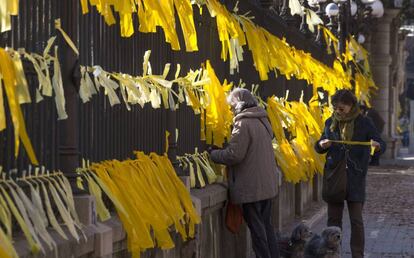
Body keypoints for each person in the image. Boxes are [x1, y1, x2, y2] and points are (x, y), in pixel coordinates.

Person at [209, 88, 281, 258]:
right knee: (266, 226)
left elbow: (234, 155)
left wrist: (213, 154)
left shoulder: (243, 123)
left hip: (251, 187)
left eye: (231, 106)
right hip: (266, 185)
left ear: (238, 104)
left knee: (258, 231)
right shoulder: (263, 120)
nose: (230, 110)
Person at [314, 89, 386, 258]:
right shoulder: (329, 122)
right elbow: (318, 145)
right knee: (333, 221)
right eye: (335, 108)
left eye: (341, 108)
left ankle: (357, 255)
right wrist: (321, 145)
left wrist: (377, 145)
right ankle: (331, 253)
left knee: (356, 221)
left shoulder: (365, 122)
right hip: (334, 177)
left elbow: (381, 143)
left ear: (351, 105)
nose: (338, 111)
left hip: (356, 177)